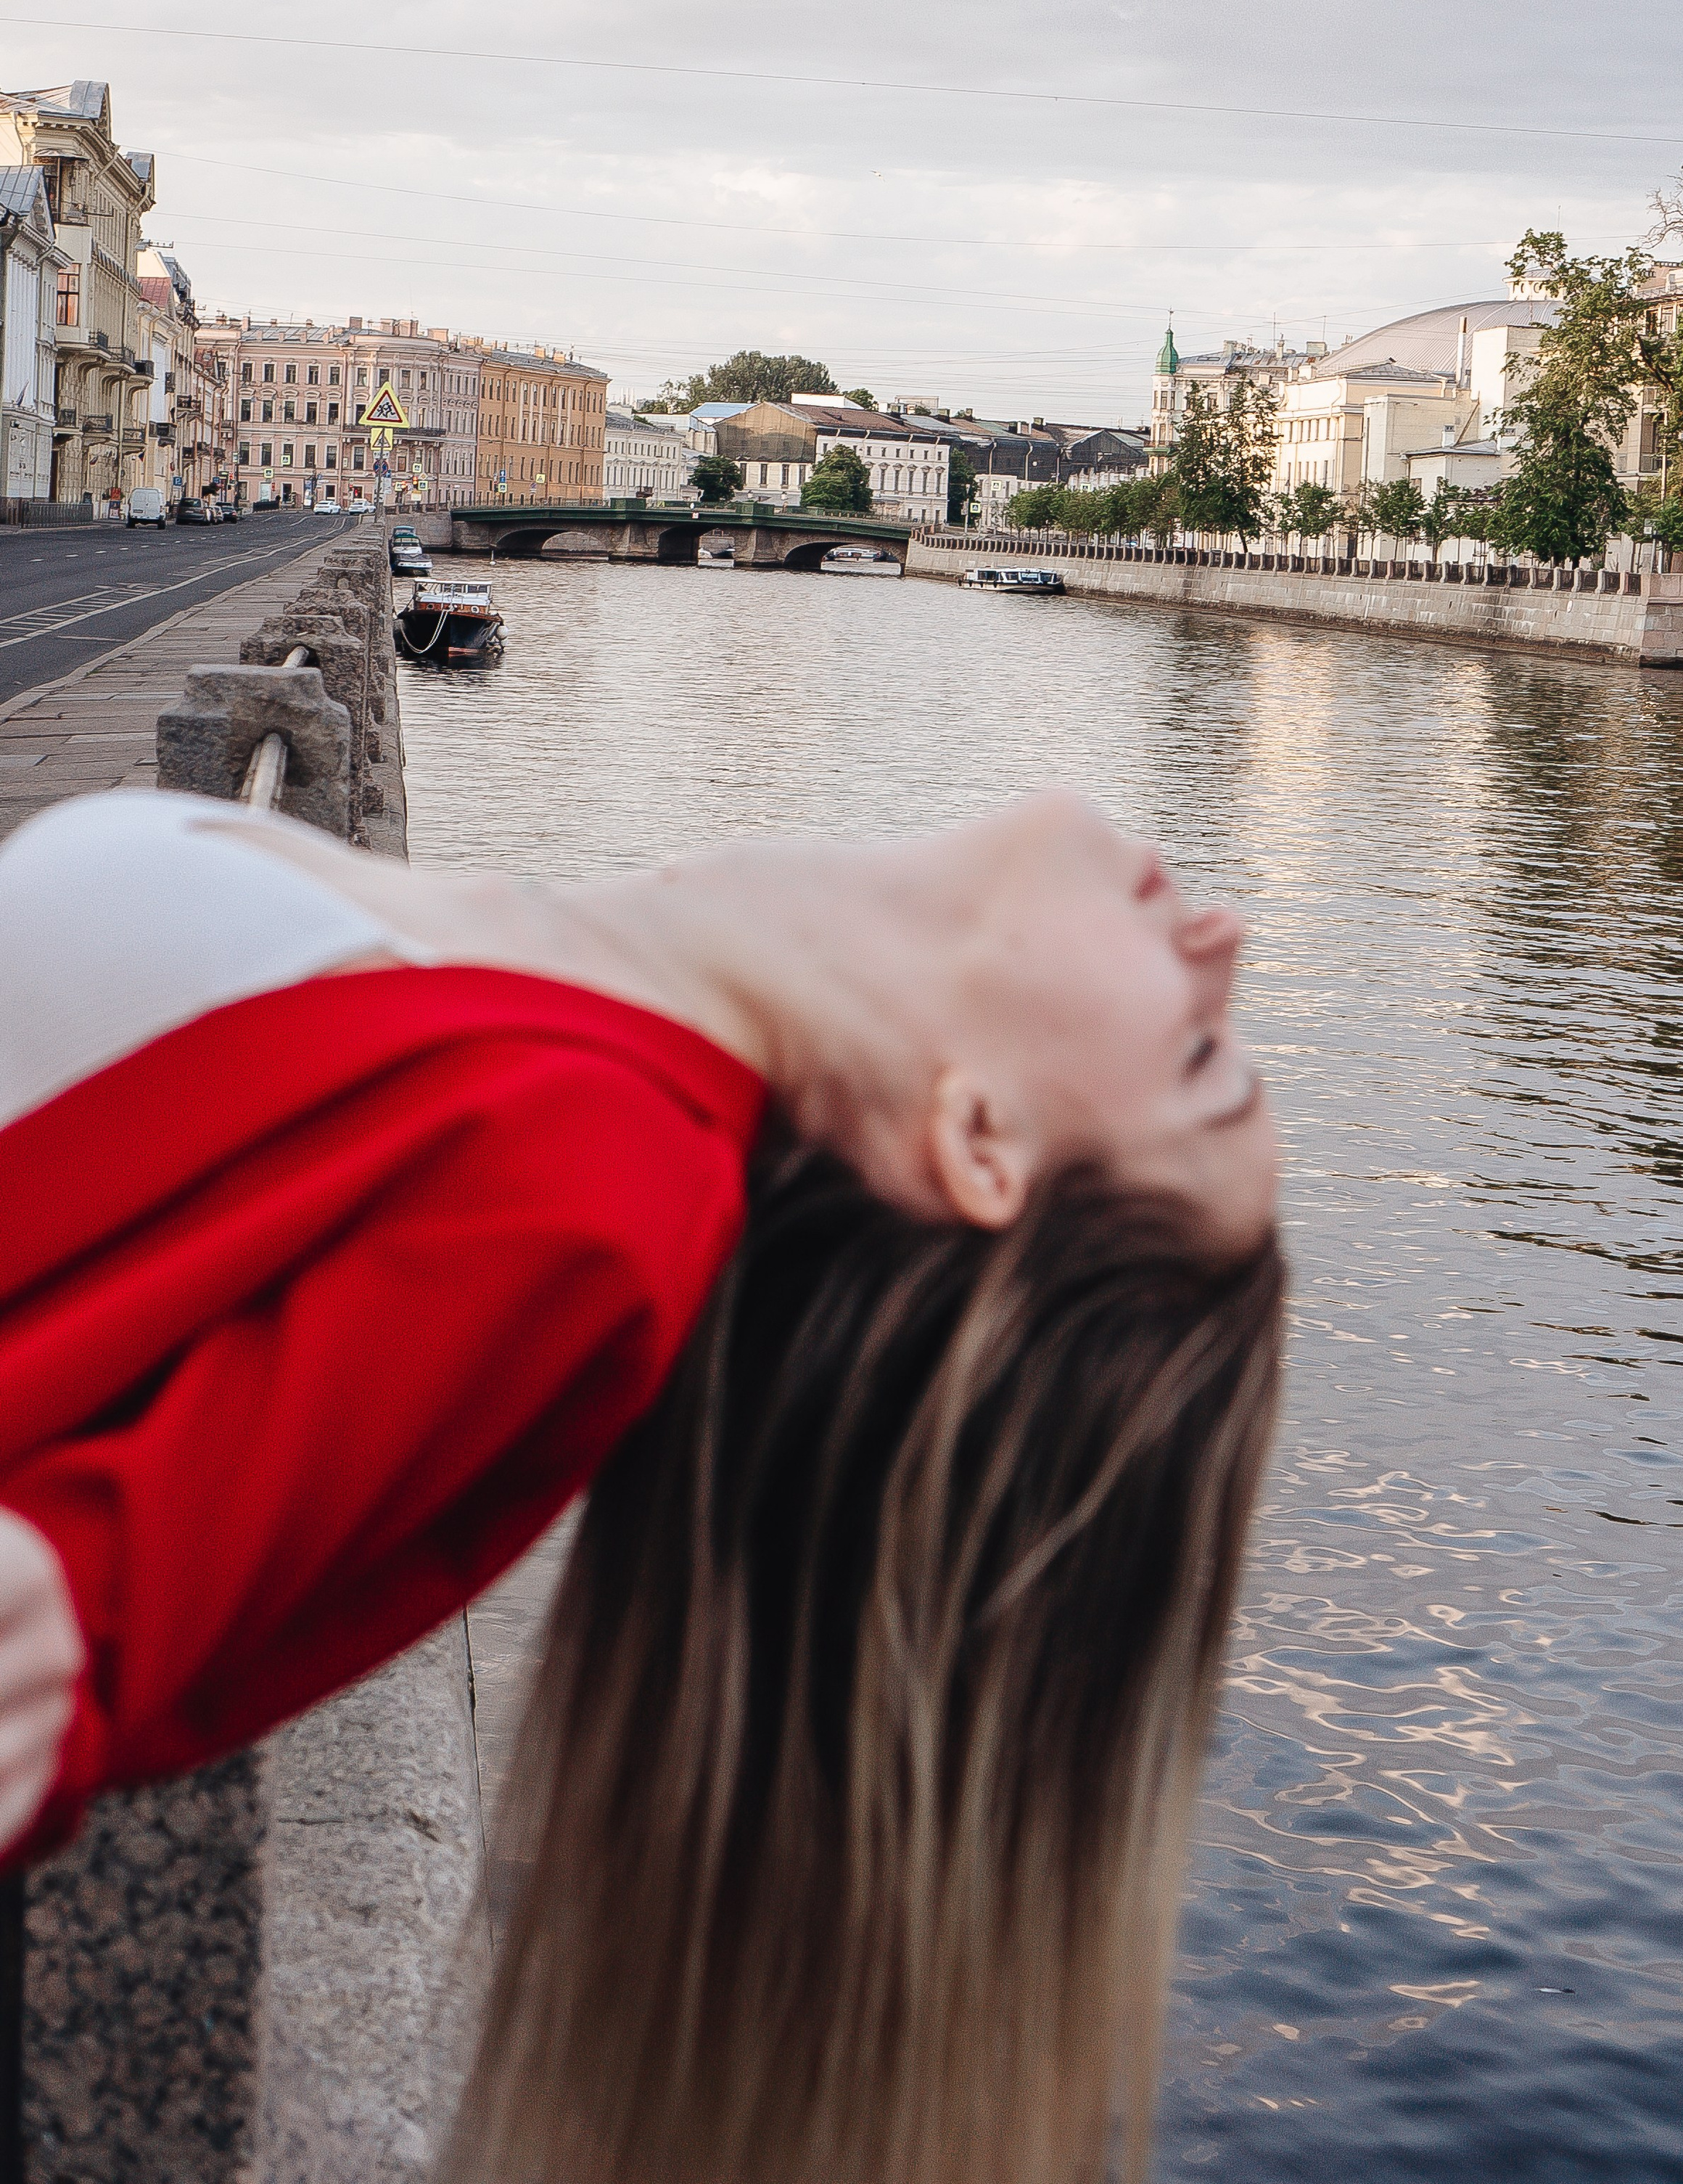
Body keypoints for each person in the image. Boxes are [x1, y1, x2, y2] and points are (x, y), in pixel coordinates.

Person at [0, 781, 1282, 2180]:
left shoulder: (595, 1198)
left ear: (981, 1142)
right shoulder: (589, 1030)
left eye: (1203, 1054)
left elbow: (42, 1653)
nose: (1222, 936)